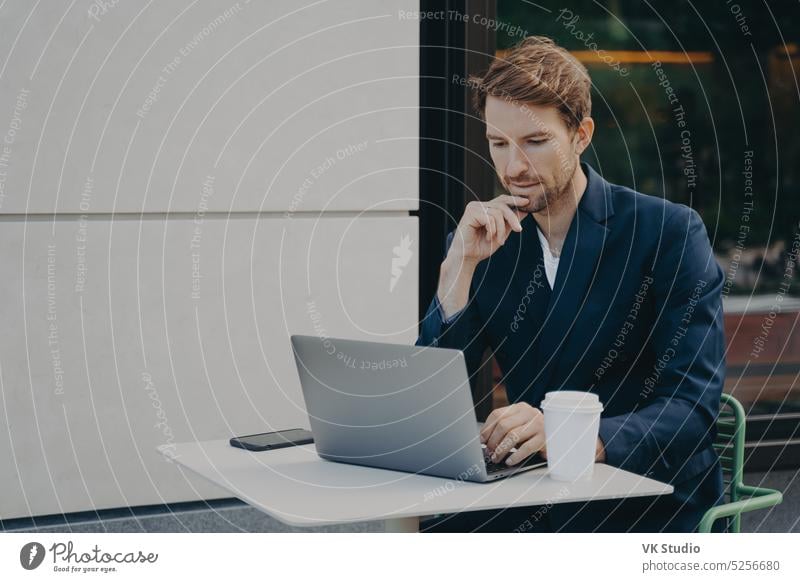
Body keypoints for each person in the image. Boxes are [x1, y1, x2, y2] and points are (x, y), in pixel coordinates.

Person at [416, 36, 726, 533]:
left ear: (581, 135)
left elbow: (693, 408)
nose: (513, 167)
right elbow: (428, 401)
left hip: (643, 499)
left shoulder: (667, 233)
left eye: (535, 142)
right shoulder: (485, 243)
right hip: (528, 494)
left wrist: (572, 437)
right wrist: (457, 269)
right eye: (498, 143)